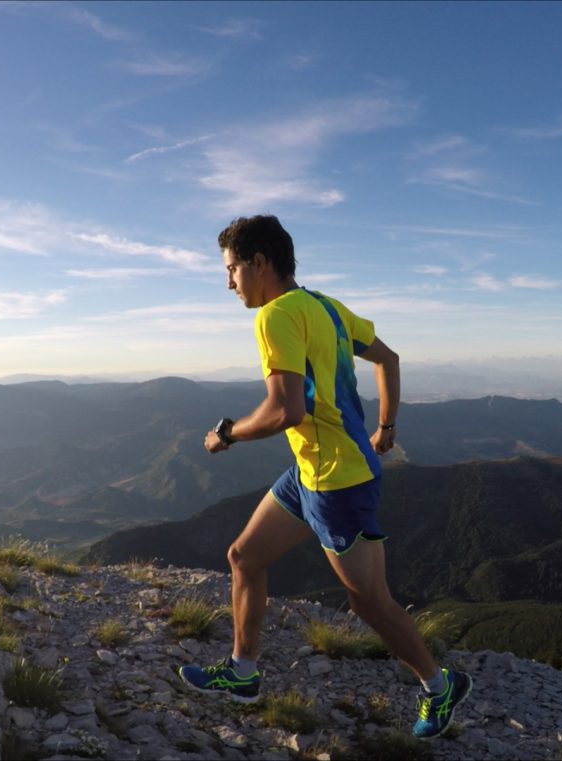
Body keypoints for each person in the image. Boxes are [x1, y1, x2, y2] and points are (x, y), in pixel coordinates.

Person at [176, 214, 472, 740]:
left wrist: (227, 433)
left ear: (259, 263)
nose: (228, 283)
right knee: (243, 556)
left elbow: (284, 411)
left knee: (369, 601)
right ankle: (243, 675)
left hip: (337, 482)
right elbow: (389, 358)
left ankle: (438, 685)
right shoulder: (325, 307)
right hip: (312, 471)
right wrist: (385, 427)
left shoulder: (276, 316)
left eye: (231, 270)